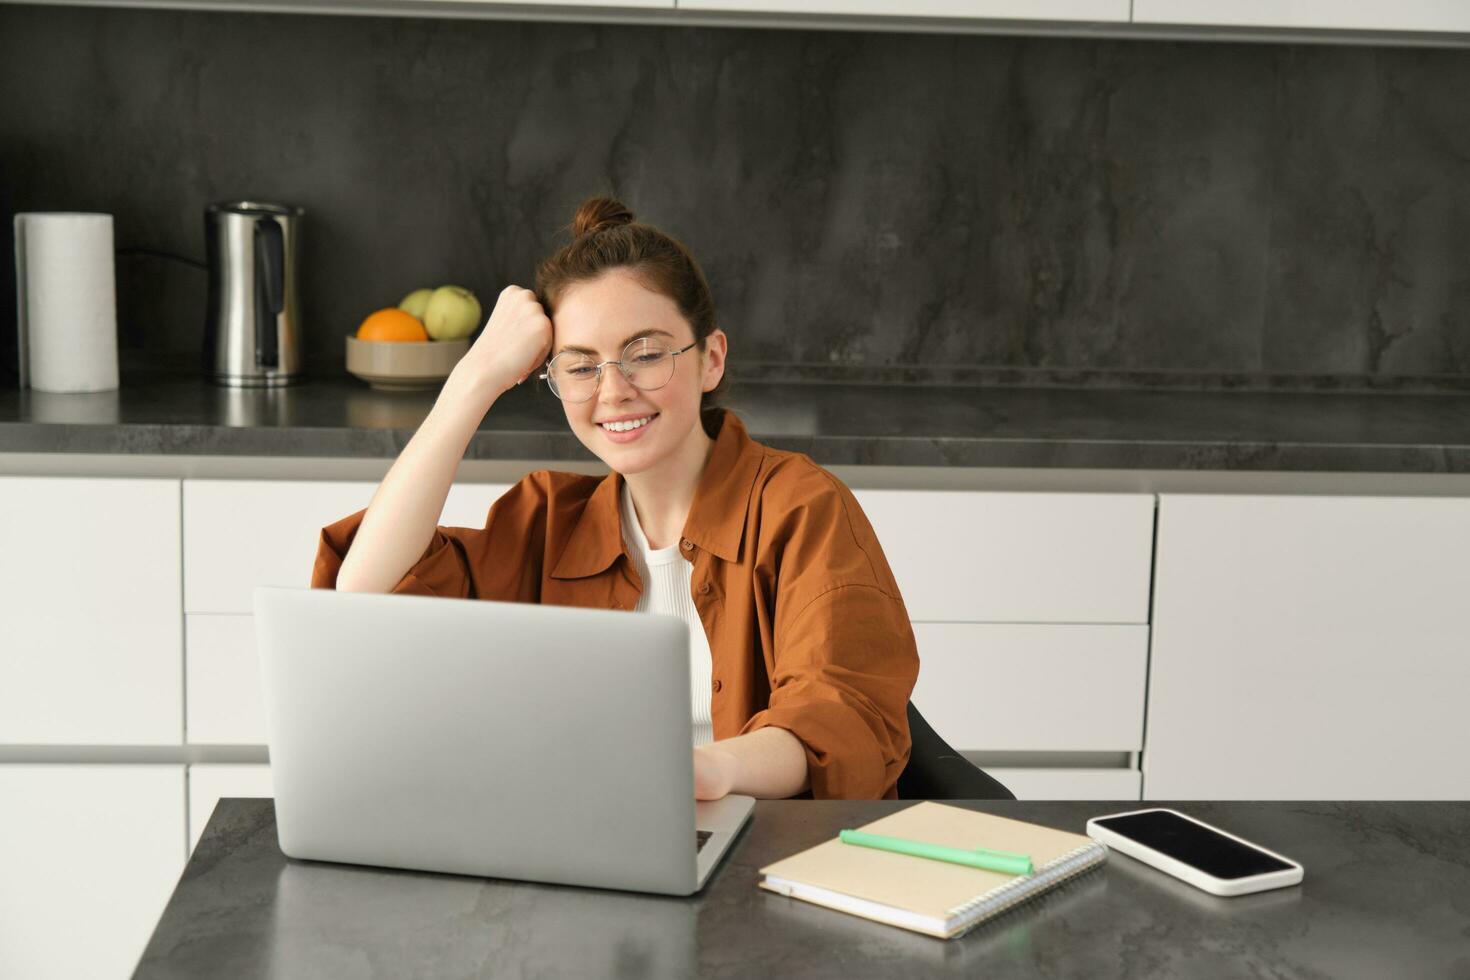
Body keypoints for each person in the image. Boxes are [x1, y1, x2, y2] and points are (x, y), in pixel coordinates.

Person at [311, 196, 919, 800]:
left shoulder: (801, 508)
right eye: (579, 367)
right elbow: (366, 598)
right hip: (588, 856)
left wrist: (705, 772)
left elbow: (841, 718)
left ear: (710, 359)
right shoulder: (548, 521)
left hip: (763, 858)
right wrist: (472, 381)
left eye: (646, 355)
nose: (614, 391)